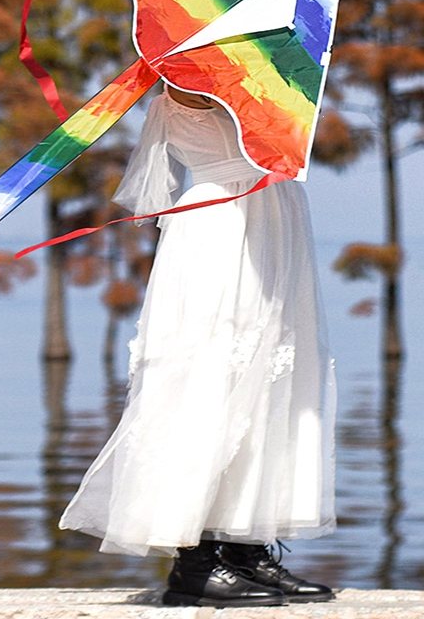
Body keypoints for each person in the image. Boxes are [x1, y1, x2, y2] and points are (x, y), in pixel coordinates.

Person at [58, 83, 337, 608]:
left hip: (273, 212)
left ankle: (244, 545)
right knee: (212, 377)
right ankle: (196, 562)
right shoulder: (195, 67)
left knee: (271, 382)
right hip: (223, 218)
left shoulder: (261, 56)